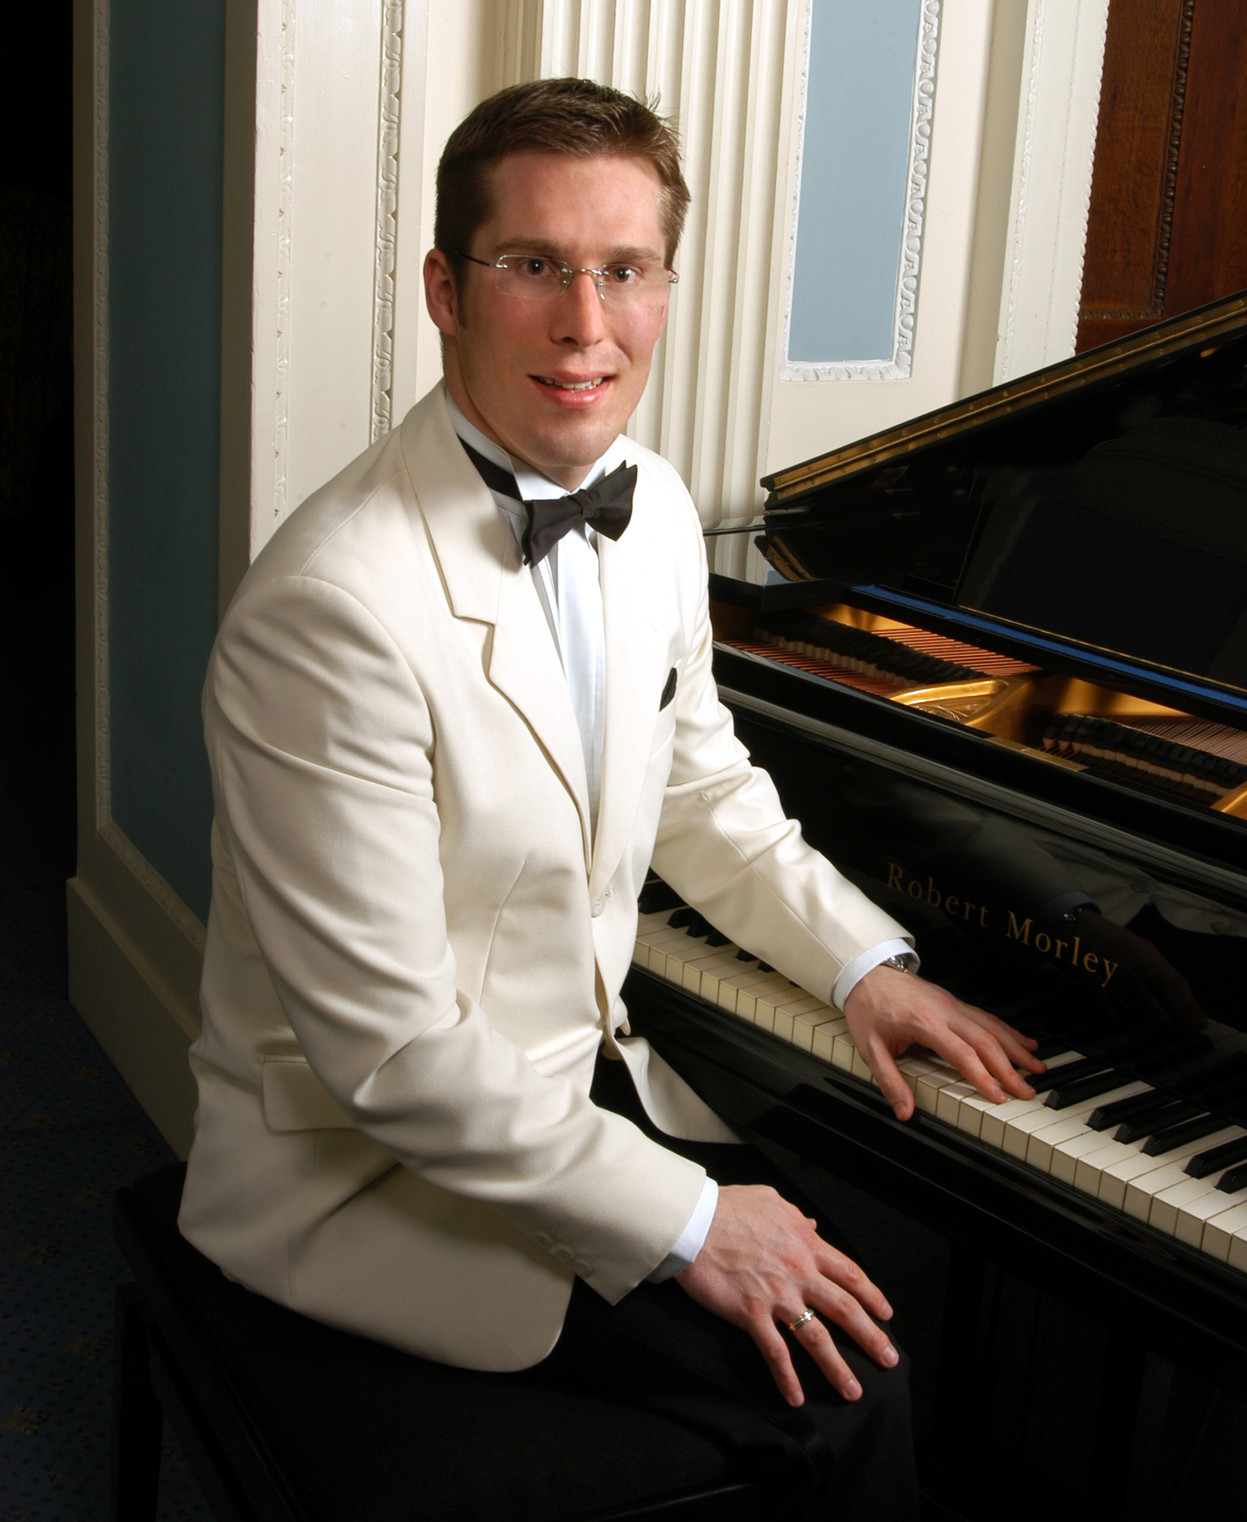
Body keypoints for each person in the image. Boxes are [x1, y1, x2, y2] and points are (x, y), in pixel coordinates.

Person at [179, 76, 1041, 1514]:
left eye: (627, 270)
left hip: (570, 1077)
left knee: (905, 1270)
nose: (588, 324)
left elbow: (701, 783)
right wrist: (695, 1217)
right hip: (370, 1165)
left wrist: (860, 965)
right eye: (536, 265)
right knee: (846, 1388)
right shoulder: (328, 612)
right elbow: (393, 1055)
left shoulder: (652, 507)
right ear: (447, 290)